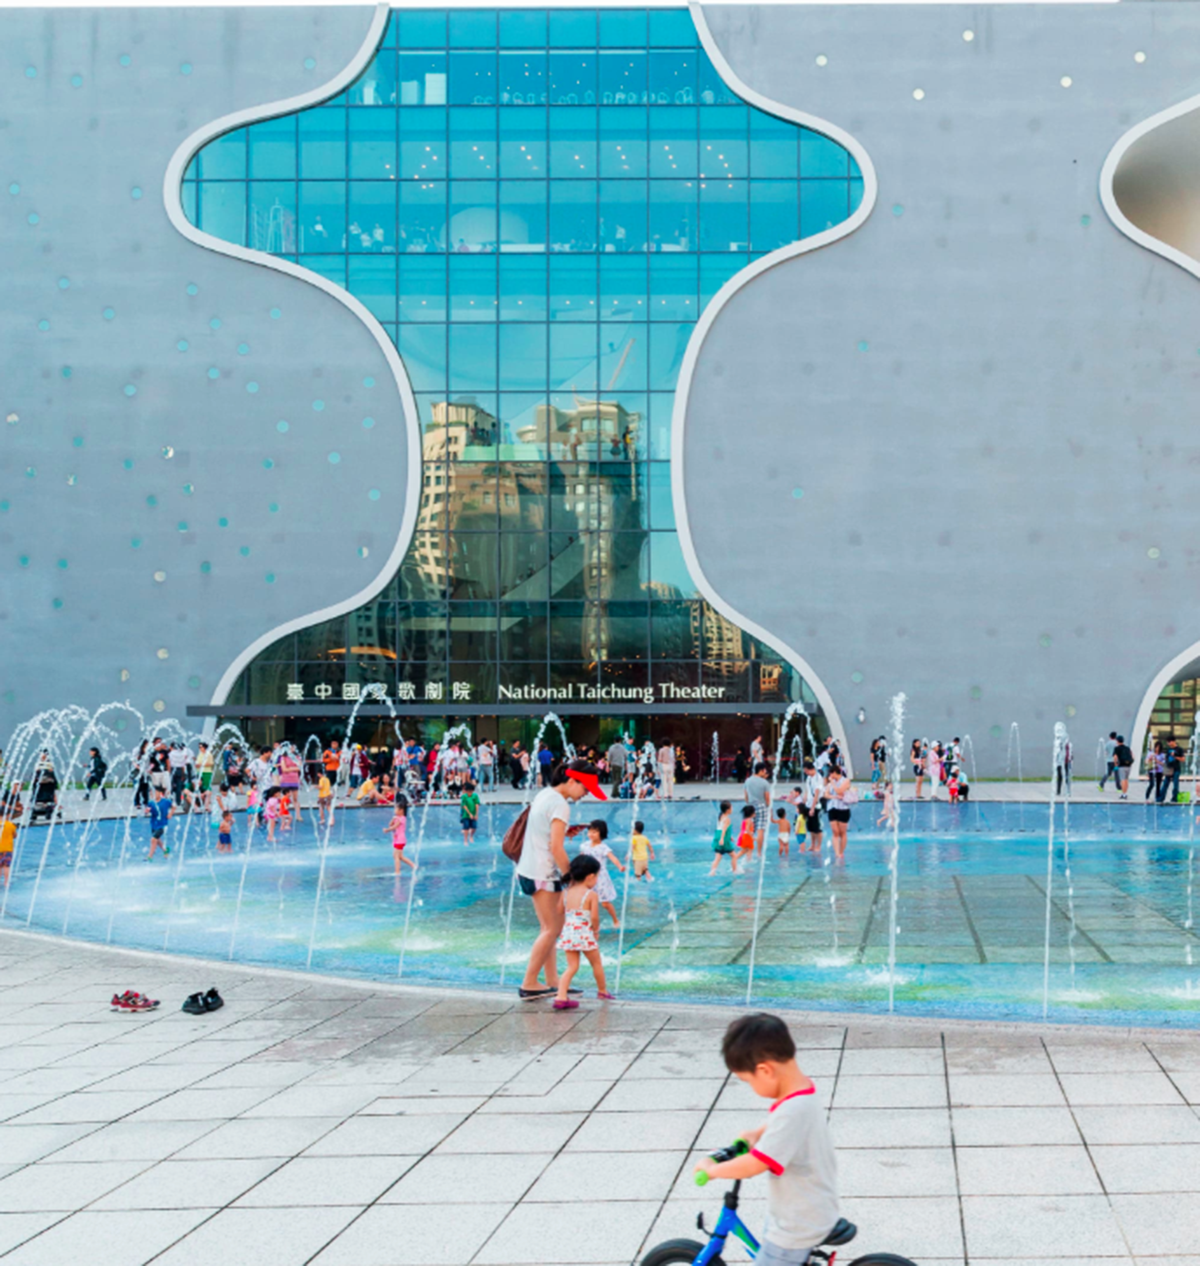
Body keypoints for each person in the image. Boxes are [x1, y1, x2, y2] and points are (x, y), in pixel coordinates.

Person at [694, 1013, 839, 1265]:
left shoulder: (792, 1111)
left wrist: (712, 1170)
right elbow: (784, 1121)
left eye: (748, 1081)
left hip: (797, 1226)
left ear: (765, 1070)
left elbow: (755, 1163)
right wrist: (757, 1133)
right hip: (811, 1206)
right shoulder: (802, 1090)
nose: (751, 1087)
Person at [516, 758, 606, 1000]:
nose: (586, 794)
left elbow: (543, 833)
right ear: (572, 780)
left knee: (549, 929)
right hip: (543, 872)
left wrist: (565, 831)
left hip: (529, 869)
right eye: (585, 788)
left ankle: (552, 980)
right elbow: (556, 848)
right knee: (552, 929)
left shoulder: (545, 794)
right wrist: (573, 879)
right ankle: (529, 983)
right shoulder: (560, 805)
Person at [552, 854, 614, 1010]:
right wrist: (596, 930)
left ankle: (560, 997)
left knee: (572, 966)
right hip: (585, 933)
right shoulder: (591, 895)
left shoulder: (566, 892)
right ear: (590, 877)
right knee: (596, 963)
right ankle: (602, 991)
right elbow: (594, 917)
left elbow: (559, 910)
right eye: (597, 877)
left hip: (569, 933)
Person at [580, 818, 625, 926]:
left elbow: (613, 858)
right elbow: (581, 858)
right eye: (590, 831)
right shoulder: (585, 845)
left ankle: (615, 919)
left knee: (605, 903)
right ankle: (589, 922)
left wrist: (620, 866)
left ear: (602, 833)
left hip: (600, 878)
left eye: (594, 832)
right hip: (587, 877)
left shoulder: (603, 848)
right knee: (587, 900)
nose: (591, 834)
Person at [825, 767, 854, 862]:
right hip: (832, 808)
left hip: (843, 808)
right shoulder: (830, 782)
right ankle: (837, 853)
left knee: (842, 832)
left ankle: (841, 852)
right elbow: (826, 794)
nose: (830, 776)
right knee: (835, 831)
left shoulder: (846, 781)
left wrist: (833, 784)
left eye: (831, 773)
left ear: (834, 772)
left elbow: (839, 791)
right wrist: (834, 796)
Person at [744, 762, 772, 854]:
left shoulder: (747, 781)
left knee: (750, 829)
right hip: (761, 806)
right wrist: (769, 809)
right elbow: (767, 798)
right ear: (761, 770)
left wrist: (748, 804)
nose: (765, 772)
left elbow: (746, 796)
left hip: (750, 806)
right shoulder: (765, 783)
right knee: (760, 830)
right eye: (765, 770)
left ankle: (749, 853)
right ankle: (759, 853)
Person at [386, 795, 415, 875]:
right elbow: (390, 824)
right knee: (400, 856)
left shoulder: (402, 818)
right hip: (397, 839)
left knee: (396, 856)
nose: (394, 810)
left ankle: (397, 872)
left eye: (396, 808)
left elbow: (394, 827)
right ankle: (414, 866)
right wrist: (392, 819)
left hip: (400, 839)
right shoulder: (397, 817)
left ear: (401, 810)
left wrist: (387, 830)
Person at [147, 786, 172, 859]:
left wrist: (170, 814)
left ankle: (150, 856)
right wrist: (146, 811)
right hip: (154, 824)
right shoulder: (151, 803)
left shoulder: (166, 801)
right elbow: (148, 810)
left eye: (155, 792)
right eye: (151, 793)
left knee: (153, 839)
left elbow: (174, 806)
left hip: (163, 825)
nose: (153, 794)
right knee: (157, 839)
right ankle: (165, 850)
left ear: (160, 793)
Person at [1164, 738, 1184, 804]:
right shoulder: (1168, 750)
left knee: (1175, 784)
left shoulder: (1179, 749)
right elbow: (1166, 758)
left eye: (1170, 742)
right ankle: (1160, 798)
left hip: (1176, 769)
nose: (1168, 743)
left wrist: (1175, 756)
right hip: (1169, 769)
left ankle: (1174, 798)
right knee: (1165, 784)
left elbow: (1183, 759)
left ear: (1174, 741)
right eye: (1168, 742)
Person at [460, 780, 480, 845]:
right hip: (466, 815)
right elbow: (464, 806)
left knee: (474, 827)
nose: (470, 793)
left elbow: (477, 804)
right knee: (466, 828)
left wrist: (476, 814)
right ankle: (465, 840)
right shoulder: (464, 796)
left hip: (473, 814)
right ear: (466, 791)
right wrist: (469, 814)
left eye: (471, 791)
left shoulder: (475, 796)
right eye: (468, 791)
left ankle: (471, 836)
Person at [0, 809, 14, 885]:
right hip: (8, 849)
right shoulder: (10, 824)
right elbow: (15, 835)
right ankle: (6, 882)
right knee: (6, 866)